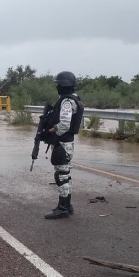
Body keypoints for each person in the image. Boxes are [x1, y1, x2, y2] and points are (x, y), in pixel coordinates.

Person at [44, 71, 84, 220]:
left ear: (63, 84)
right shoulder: (75, 99)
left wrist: (49, 131)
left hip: (63, 143)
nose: (57, 86)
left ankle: (63, 208)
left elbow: (64, 124)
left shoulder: (67, 102)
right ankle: (67, 205)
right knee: (65, 174)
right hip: (67, 142)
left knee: (61, 175)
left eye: (58, 83)